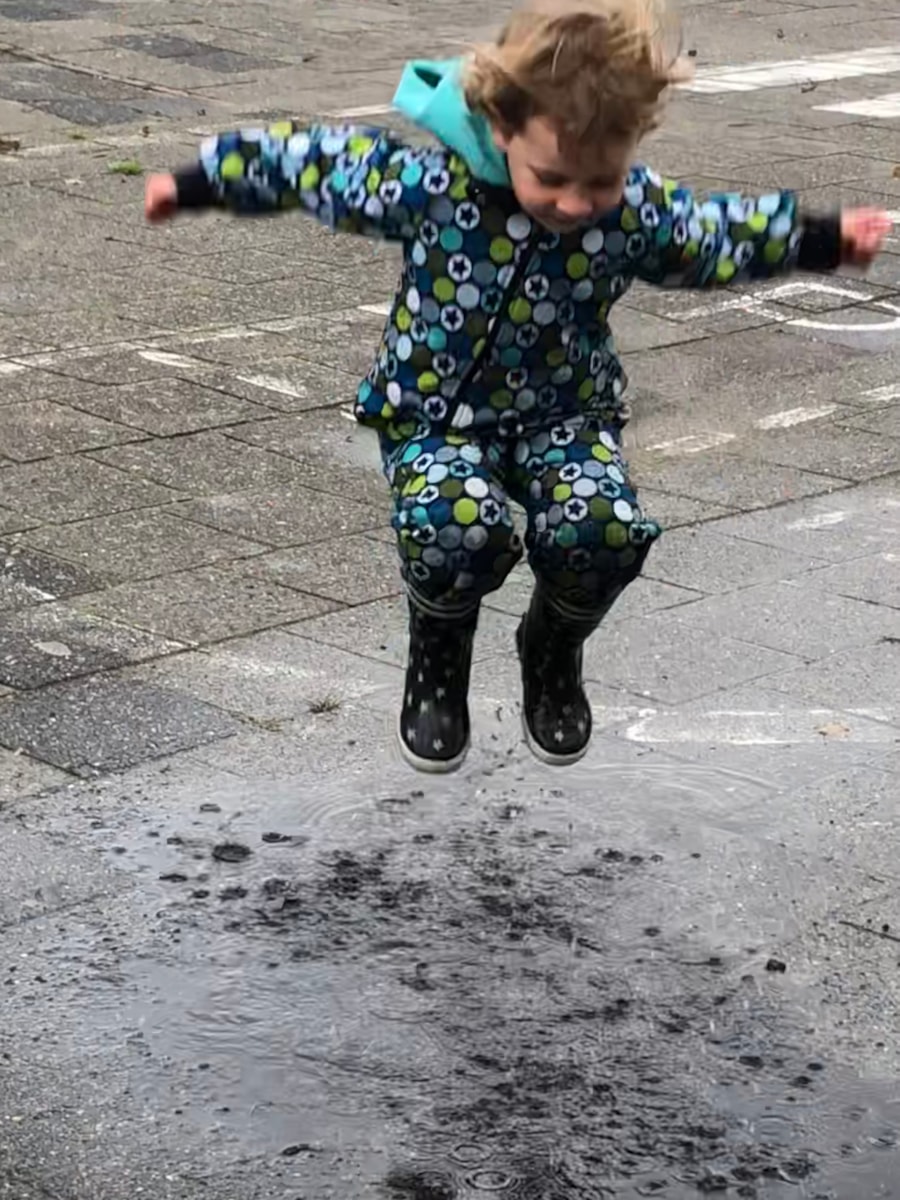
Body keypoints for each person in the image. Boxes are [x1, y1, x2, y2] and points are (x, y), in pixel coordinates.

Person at [144, 0, 889, 774]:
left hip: (565, 416)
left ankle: (552, 649)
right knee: (453, 524)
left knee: (602, 531)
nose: (575, 204)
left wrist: (820, 237)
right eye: (552, 178)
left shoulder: (629, 214)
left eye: (600, 181)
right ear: (501, 129)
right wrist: (196, 184)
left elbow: (711, 233)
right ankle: (439, 651)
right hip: (434, 418)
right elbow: (316, 164)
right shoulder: (432, 187)